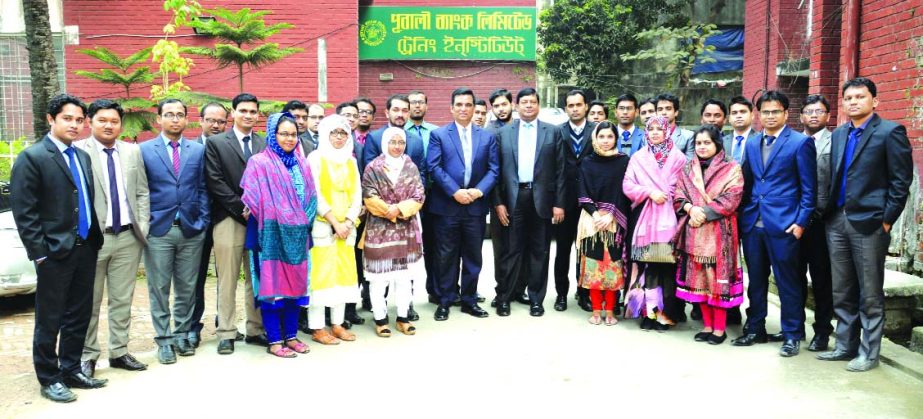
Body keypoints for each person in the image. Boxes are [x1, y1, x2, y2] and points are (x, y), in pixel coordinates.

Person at [12, 94, 106, 402]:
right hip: (53, 252)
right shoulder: (33, 157)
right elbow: (25, 212)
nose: (75, 125)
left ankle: (71, 369)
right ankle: (49, 377)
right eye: (68, 118)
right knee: (50, 318)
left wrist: (92, 238)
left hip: (85, 247)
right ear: (51, 119)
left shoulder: (82, 157)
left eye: (80, 120)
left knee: (79, 313)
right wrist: (39, 253)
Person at [817, 77, 913, 371]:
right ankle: (845, 345)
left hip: (870, 224)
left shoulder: (890, 132)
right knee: (842, 289)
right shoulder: (839, 134)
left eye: (860, 97)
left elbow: (901, 182)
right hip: (837, 221)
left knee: (870, 293)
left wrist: (886, 222)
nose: (853, 102)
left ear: (875, 100)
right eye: (848, 98)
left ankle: (869, 353)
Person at [733, 90, 816, 358]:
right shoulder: (753, 142)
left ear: (785, 113)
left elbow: (809, 189)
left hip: (785, 225)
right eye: (765, 111)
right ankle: (755, 327)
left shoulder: (799, 143)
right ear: (759, 114)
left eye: (775, 111)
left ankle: (792, 334)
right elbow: (747, 184)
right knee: (755, 281)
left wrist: (801, 222)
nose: (770, 116)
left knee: (787, 281)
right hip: (753, 225)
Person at [76, 100, 150, 377]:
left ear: (120, 123)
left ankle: (119, 351)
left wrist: (143, 225)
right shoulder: (79, 151)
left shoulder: (132, 152)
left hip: (128, 237)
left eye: (114, 121)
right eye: (102, 120)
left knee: (122, 299)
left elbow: (142, 191)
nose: (109, 125)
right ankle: (87, 355)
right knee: (89, 301)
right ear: (90, 122)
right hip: (95, 240)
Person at [240, 113, 317, 358]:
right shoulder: (259, 162)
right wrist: (281, 217)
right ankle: (275, 341)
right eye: (283, 133)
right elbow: (253, 197)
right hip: (269, 235)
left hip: (298, 235)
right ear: (272, 135)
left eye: (293, 134)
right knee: (272, 287)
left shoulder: (302, 163)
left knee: (295, 285)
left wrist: (299, 220)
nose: (289, 138)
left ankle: (291, 336)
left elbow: (311, 197)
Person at [140, 98, 210, 364]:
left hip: (191, 229)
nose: (175, 119)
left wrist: (202, 221)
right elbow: (140, 190)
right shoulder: (145, 150)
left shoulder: (196, 151)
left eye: (180, 115)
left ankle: (182, 334)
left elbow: (203, 188)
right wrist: (145, 222)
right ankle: (164, 340)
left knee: (187, 287)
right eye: (169, 114)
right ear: (159, 119)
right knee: (159, 287)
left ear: (186, 119)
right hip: (159, 230)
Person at [428, 87, 499, 321]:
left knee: (472, 256)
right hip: (447, 206)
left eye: (468, 105)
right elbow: (434, 167)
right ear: (451, 108)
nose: (463, 109)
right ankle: (445, 300)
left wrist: (478, 191)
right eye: (459, 104)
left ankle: (469, 300)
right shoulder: (439, 135)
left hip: (475, 206)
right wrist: (455, 191)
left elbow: (494, 169)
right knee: (446, 256)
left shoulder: (487, 136)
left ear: (474, 108)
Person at [493, 87, 566, 317]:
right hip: (513, 199)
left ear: (538, 105)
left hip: (542, 200)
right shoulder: (504, 133)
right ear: (516, 106)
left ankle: (536, 299)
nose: (528, 105)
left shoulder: (552, 132)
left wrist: (559, 203)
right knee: (510, 250)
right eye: (524, 102)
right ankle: (504, 297)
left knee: (540, 251)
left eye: (532, 102)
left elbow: (560, 171)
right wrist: (498, 203)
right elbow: (495, 171)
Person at [205, 93, 268, 355]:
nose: (248, 115)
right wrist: (241, 207)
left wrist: (256, 209)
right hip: (228, 219)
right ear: (233, 113)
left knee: (256, 277)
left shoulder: (265, 143)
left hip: (259, 221)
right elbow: (214, 180)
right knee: (228, 279)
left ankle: (255, 329)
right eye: (243, 110)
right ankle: (227, 332)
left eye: (253, 111)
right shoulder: (217, 143)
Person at [673, 125, 744, 345]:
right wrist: (690, 209)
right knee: (699, 280)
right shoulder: (687, 169)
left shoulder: (731, 168)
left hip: (719, 232)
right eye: (698, 144)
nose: (702, 147)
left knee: (716, 282)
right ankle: (706, 325)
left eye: (707, 143)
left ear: (717, 144)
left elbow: (732, 198)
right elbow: (678, 195)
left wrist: (702, 212)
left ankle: (719, 329)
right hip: (693, 231)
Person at [622, 115, 685, 331]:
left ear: (668, 131)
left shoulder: (679, 158)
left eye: (660, 128)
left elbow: (685, 188)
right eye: (651, 129)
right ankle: (649, 314)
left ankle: (665, 315)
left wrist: (667, 194)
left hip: (671, 220)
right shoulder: (638, 158)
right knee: (647, 268)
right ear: (646, 132)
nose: (656, 132)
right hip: (644, 219)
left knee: (666, 268)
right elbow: (628, 185)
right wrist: (649, 192)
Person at [361, 127, 426, 337]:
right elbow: (368, 195)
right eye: (393, 142)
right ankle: (380, 319)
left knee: (404, 278)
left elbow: (419, 195)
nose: (397, 146)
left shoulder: (411, 167)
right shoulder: (373, 167)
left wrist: (399, 209)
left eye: (401, 142)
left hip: (406, 230)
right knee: (379, 278)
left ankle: (403, 317)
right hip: (379, 231)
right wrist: (388, 211)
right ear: (384, 144)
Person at [306, 114, 362, 344]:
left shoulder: (351, 160)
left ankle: (337, 324)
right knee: (321, 276)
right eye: (334, 132)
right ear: (325, 133)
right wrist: (335, 223)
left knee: (343, 274)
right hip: (323, 226)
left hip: (347, 228)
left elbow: (357, 194)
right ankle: (318, 327)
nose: (339, 137)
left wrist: (348, 222)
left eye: (343, 133)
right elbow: (315, 193)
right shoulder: (316, 157)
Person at [575, 121, 631, 326]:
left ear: (616, 138)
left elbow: (625, 191)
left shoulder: (624, 161)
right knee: (593, 268)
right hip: (591, 221)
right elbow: (582, 190)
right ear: (595, 138)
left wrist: (611, 215)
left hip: (614, 221)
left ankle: (610, 311)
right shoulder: (587, 162)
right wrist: (596, 214)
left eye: (610, 136)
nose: (606, 141)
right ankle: (596, 310)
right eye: (601, 137)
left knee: (612, 267)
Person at [797, 94, 834, 352]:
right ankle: (795, 326)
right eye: (809, 111)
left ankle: (822, 331)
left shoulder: (837, 142)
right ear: (801, 116)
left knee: (822, 279)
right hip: (796, 221)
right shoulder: (793, 142)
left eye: (819, 111)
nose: (813, 115)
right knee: (794, 276)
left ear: (828, 116)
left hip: (823, 221)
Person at [190, 102, 228, 347]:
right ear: (201, 120)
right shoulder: (190, 149)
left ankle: (224, 323)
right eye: (211, 120)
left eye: (221, 121)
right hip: (197, 223)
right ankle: (193, 327)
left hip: (226, 218)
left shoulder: (230, 147)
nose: (216, 125)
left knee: (227, 276)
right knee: (196, 277)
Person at [553, 89, 595, 312]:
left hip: (589, 202)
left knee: (586, 251)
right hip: (565, 202)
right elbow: (555, 170)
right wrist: (557, 203)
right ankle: (561, 294)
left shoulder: (597, 131)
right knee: (562, 251)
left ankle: (584, 293)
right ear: (566, 108)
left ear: (586, 106)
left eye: (579, 104)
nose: (575, 109)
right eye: (570, 105)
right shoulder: (557, 132)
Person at [655, 93, 695, 159]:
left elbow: (689, 162)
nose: (664, 112)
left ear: (676, 112)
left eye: (668, 108)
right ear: (656, 113)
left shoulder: (688, 136)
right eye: (660, 109)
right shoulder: (647, 137)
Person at [723, 96, 759, 165]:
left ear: (752, 115)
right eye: (734, 113)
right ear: (729, 118)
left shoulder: (760, 139)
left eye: (743, 112)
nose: (738, 116)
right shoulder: (722, 142)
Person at [406, 90, 439, 157]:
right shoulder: (400, 130)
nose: (417, 105)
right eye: (413, 102)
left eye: (421, 102)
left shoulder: (436, 131)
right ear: (407, 107)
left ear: (426, 107)